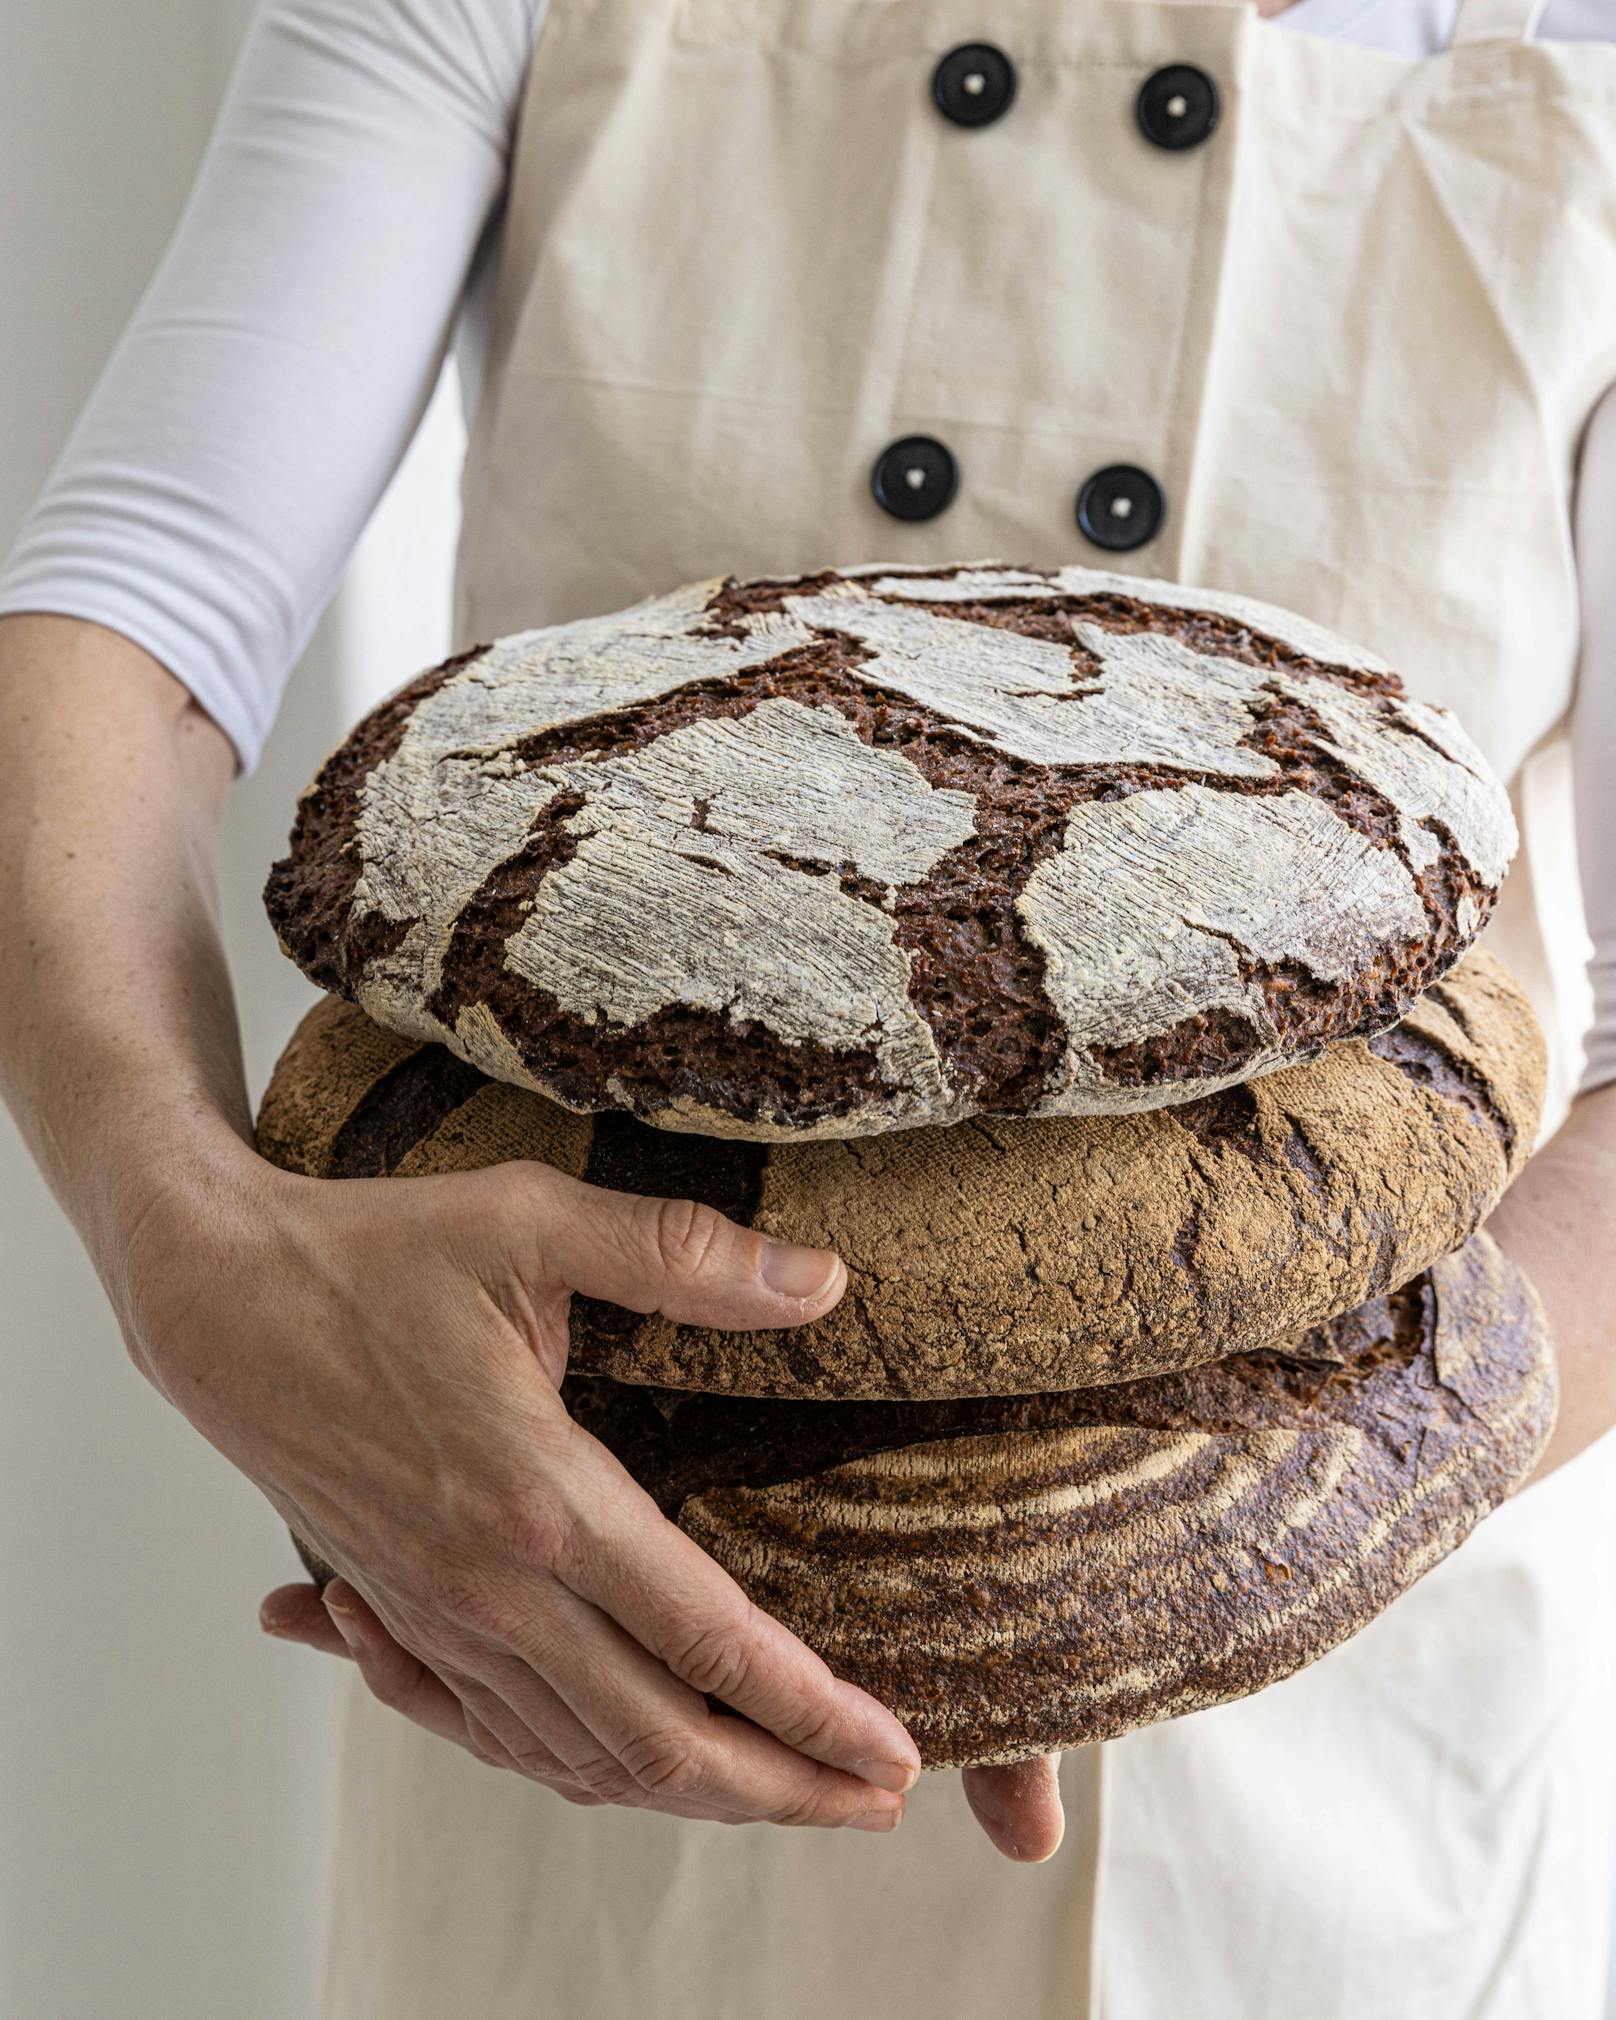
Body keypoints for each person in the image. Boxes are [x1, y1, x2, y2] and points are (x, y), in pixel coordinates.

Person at [3, 0, 1615, 2012]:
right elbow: (138, 601)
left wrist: (1343, 1461)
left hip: (1329, 1804)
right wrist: (193, 1245)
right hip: (557, 1640)